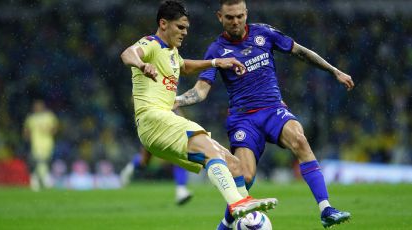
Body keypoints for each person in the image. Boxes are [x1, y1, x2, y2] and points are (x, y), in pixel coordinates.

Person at [174, 0, 354, 228]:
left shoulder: (264, 33)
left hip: (272, 109)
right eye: (230, 17)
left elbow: (301, 52)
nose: (235, 21)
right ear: (220, 17)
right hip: (243, 119)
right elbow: (201, 91)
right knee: (245, 176)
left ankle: (326, 209)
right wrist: (177, 100)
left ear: (246, 14)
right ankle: (225, 226)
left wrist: (334, 71)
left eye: (240, 16)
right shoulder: (216, 51)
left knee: (300, 140)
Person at [120, 0, 277, 219]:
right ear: (163, 24)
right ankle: (237, 203)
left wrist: (215, 63)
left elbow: (184, 67)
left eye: (186, 28)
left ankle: (244, 205)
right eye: (180, 27)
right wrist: (142, 64)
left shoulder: (172, 52)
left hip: (162, 122)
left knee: (233, 163)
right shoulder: (151, 43)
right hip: (152, 119)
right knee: (206, 145)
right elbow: (128, 53)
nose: (185, 33)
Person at [120, 145, 194, 205]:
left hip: (159, 141)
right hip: (157, 141)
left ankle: (181, 190)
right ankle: (128, 171)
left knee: (179, 161)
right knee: (143, 160)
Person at [23, 99, 58, 191]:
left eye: (39, 106)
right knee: (40, 160)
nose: (37, 108)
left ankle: (34, 178)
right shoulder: (31, 118)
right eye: (36, 106)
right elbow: (26, 131)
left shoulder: (49, 116)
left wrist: (48, 130)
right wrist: (28, 137)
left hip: (48, 142)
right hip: (36, 143)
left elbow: (55, 129)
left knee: (44, 161)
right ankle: (46, 180)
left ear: (43, 107)